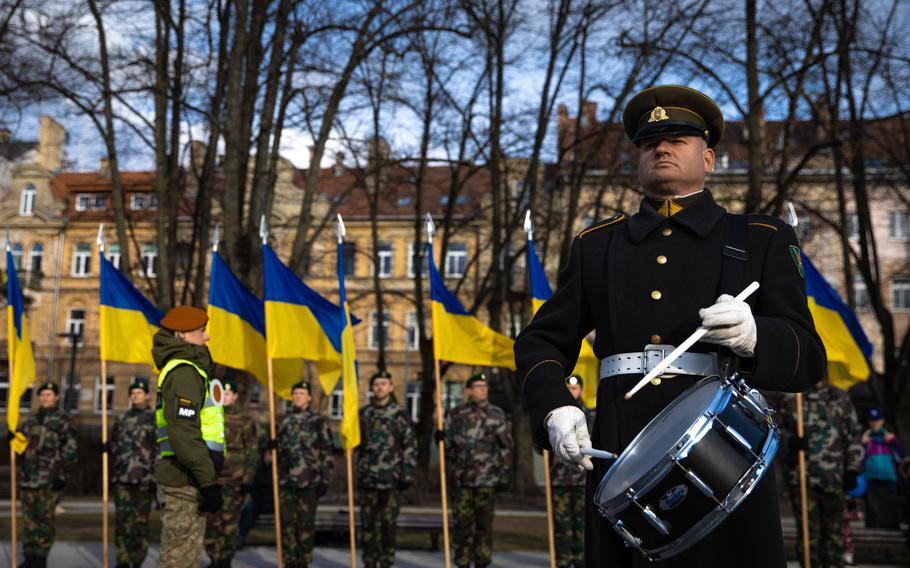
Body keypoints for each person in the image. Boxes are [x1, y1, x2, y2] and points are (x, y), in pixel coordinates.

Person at [515, 84, 826, 567]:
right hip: (623, 448)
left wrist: (755, 335)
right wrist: (554, 407)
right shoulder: (598, 245)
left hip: (726, 454)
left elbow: (809, 358)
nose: (660, 148)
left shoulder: (760, 238)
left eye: (678, 139)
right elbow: (542, 340)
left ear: (708, 159)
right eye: (647, 143)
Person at [154, 306, 225, 568]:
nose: (206, 337)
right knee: (179, 559)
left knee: (185, 556)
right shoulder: (184, 373)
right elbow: (184, 433)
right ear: (182, 335)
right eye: (201, 331)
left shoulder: (191, 371)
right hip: (186, 478)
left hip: (189, 477)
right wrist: (208, 481)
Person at [779, 380, 864, 568]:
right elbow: (775, 430)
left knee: (833, 534)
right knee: (809, 535)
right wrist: (790, 441)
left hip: (834, 477)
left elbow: (853, 435)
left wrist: (852, 469)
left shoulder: (840, 397)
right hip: (801, 477)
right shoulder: (793, 397)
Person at [446, 373, 513, 568]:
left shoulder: (497, 414)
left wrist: (504, 474)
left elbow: (506, 447)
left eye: (484, 386)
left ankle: (482, 562)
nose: (483, 389)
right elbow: (449, 447)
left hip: (487, 480)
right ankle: (462, 562)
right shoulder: (455, 414)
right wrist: (441, 438)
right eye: (478, 386)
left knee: (484, 526)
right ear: (468, 391)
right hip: (462, 479)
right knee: (462, 526)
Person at [357, 370, 417, 568]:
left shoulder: (400, 415)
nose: (380, 387)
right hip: (368, 478)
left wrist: (406, 474)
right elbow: (356, 442)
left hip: (392, 479)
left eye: (384, 383)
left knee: (388, 525)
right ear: (372, 388)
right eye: (376, 384)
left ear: (391, 387)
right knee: (368, 525)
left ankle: (386, 562)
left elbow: (409, 446)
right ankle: (369, 562)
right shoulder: (364, 414)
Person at [17, 381, 78, 568]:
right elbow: (22, 446)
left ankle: (40, 558)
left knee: (45, 520)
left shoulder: (63, 421)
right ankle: (29, 557)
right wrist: (13, 438)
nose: (45, 398)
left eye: (49, 395)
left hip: (49, 480)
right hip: (29, 479)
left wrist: (61, 476)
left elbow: (70, 451)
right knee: (29, 520)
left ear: (57, 397)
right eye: (42, 395)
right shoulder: (31, 420)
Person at [278, 380, 334, 568]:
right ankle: (289, 561)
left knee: (305, 526)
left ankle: (302, 561)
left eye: (302, 393)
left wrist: (325, 479)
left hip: (309, 481)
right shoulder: (284, 421)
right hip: (286, 482)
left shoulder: (317, 421)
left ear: (309, 397)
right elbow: (278, 451)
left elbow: (326, 451)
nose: (298, 397)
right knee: (287, 524)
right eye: (295, 394)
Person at [204, 379, 259, 567]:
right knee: (211, 521)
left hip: (234, 481)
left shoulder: (244, 422)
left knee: (230, 522)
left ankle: (225, 558)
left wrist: (247, 478)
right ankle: (213, 557)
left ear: (234, 397)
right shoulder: (207, 418)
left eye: (228, 394)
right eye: (222, 393)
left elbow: (252, 451)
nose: (225, 397)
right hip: (211, 479)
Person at [110, 377, 157, 568]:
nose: (135, 396)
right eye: (133, 393)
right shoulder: (121, 419)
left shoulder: (155, 419)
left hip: (144, 479)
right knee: (122, 522)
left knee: (140, 523)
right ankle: (122, 559)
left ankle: (137, 560)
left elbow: (160, 449)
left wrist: (156, 477)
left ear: (146, 395)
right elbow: (115, 445)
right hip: (122, 478)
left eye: (139, 392)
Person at [550, 375, 593, 568]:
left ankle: (583, 561)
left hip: (585, 479)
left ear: (581, 391)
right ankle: (563, 561)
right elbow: (539, 446)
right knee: (562, 524)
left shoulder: (592, 416)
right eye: (567, 388)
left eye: (575, 389)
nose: (571, 392)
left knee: (584, 524)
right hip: (560, 478)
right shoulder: (553, 417)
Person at [861, 407, 904, 529]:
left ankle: (891, 526)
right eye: (872, 421)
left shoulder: (889, 437)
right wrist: (862, 444)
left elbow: (901, 457)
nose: (875, 423)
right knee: (871, 504)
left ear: (882, 421)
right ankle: (872, 526)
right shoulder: (866, 438)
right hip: (870, 476)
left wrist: (894, 441)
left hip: (889, 476)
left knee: (890, 503)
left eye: (877, 420)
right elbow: (859, 458)